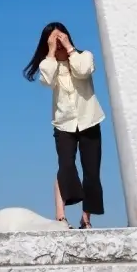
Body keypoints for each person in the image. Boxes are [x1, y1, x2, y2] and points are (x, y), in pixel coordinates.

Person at [23, 22, 105, 229]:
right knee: (66, 168)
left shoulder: (84, 56)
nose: (58, 42)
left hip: (89, 120)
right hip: (63, 124)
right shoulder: (48, 64)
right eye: (54, 39)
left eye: (61, 38)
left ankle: (86, 219)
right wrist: (51, 51)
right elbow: (46, 81)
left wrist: (69, 48)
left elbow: (84, 71)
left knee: (91, 172)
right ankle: (61, 217)